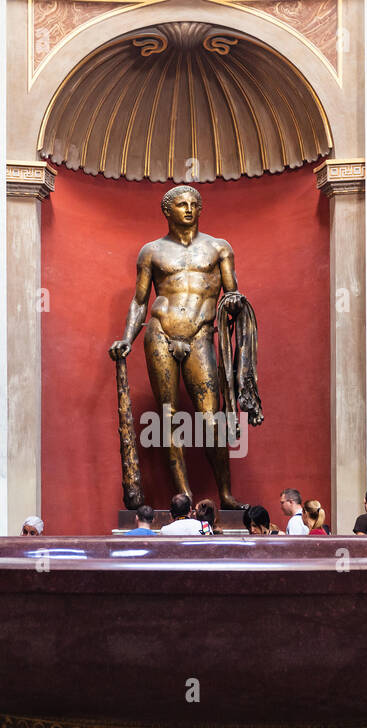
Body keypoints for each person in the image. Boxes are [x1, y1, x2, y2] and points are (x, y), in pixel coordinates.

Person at [107, 184, 261, 509]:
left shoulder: (219, 248)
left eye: (194, 204)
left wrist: (235, 306)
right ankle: (184, 496)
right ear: (167, 210)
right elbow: (139, 301)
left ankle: (226, 494)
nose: (189, 209)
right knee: (168, 416)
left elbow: (232, 294)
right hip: (160, 332)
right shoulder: (151, 251)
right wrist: (127, 338)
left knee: (210, 419)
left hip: (201, 333)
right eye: (181, 204)